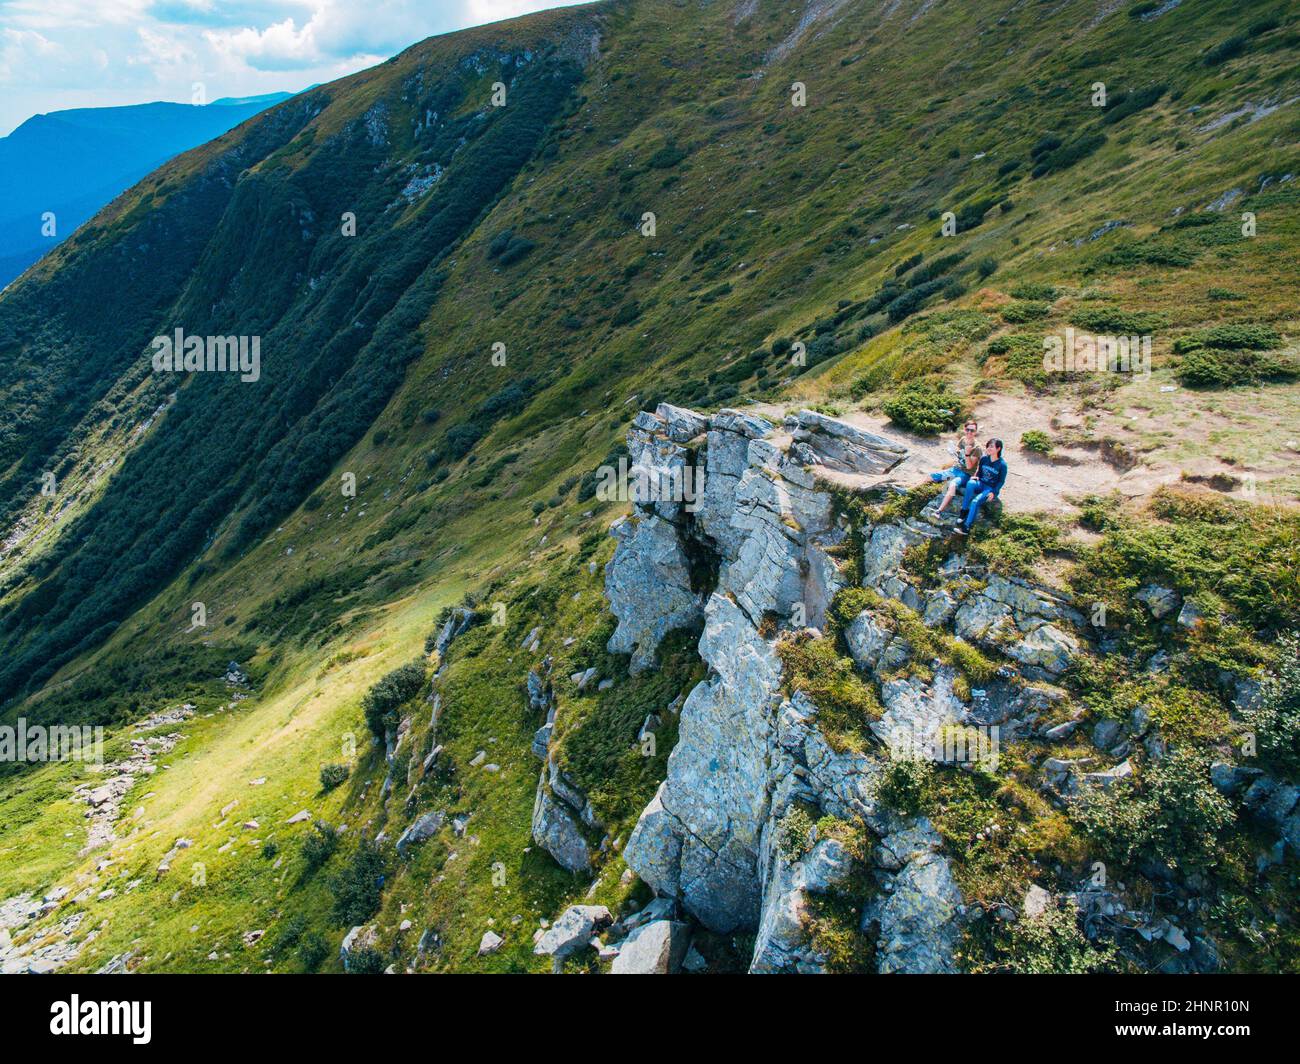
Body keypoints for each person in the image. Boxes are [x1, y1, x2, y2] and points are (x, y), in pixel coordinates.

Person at [930, 419, 982, 516]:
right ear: (964, 429)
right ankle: (911, 493)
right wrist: (955, 451)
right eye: (968, 430)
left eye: (972, 430)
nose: (969, 432)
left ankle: (939, 511)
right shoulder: (963, 439)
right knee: (931, 476)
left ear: (976, 431)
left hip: (966, 474)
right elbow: (957, 449)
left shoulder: (977, 448)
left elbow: (970, 466)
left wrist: (966, 454)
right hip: (956, 468)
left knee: (952, 485)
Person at [956, 438, 1006, 535]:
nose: (989, 448)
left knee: (975, 501)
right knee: (970, 483)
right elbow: (979, 472)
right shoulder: (984, 459)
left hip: (990, 488)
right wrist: (976, 477)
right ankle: (964, 511)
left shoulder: (1002, 465)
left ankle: (966, 527)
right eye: (988, 446)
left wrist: (994, 492)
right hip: (981, 483)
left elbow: (1001, 481)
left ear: (998, 448)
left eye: (992, 446)